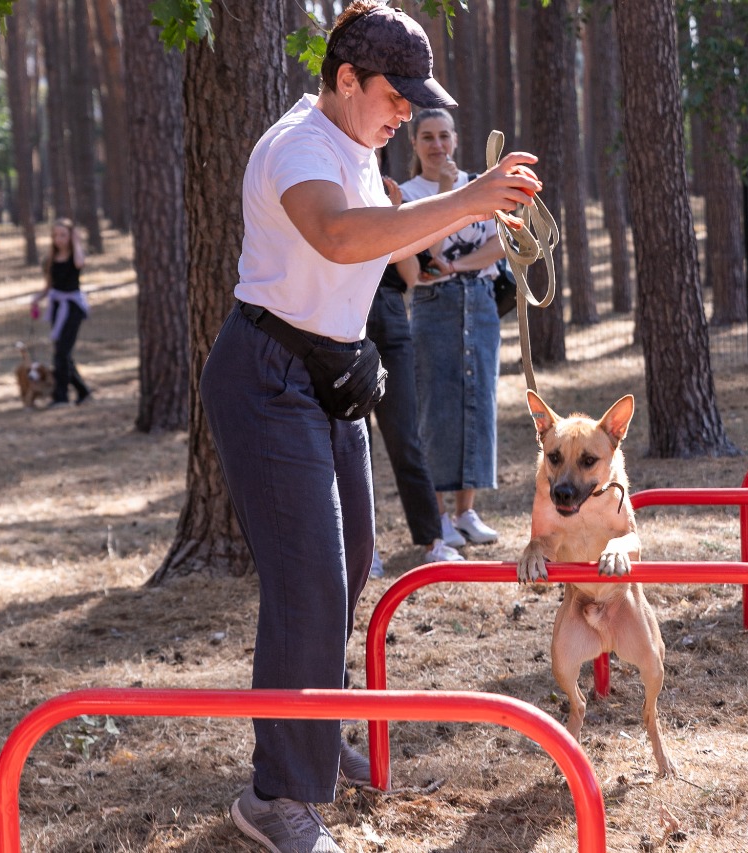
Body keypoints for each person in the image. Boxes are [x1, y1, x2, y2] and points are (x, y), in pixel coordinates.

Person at [195, 3, 539, 851]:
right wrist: (467, 197)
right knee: (308, 581)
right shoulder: (298, 146)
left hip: (327, 378)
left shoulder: (359, 148)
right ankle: (276, 797)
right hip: (267, 378)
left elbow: (394, 255)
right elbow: (340, 236)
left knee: (345, 570)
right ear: (346, 79)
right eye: (395, 94)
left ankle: (310, 737)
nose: (408, 113)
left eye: (416, 99)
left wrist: (489, 232)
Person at [399, 109, 508, 548]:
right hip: (432, 306)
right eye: (427, 137)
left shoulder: (480, 185)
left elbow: (502, 243)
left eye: (444, 136)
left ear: (456, 139)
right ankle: (439, 515)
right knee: (436, 406)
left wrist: (459, 265)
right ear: (414, 143)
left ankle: (467, 511)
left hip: (479, 305)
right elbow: (423, 257)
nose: (437, 145)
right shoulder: (407, 194)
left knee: (478, 400)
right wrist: (445, 192)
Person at [365, 175, 464, 575]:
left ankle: (432, 540)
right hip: (339, 320)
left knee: (405, 437)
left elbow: (408, 276)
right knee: (355, 445)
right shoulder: (329, 194)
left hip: (388, 318)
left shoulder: (391, 198)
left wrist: (392, 214)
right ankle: (362, 549)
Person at [31, 218, 92, 407]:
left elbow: (80, 263)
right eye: (55, 235)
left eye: (63, 234)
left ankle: (61, 396)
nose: (59, 239)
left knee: (62, 353)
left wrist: (76, 241)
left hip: (73, 308)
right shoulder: (49, 260)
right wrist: (37, 299)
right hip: (57, 307)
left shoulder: (76, 257)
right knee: (61, 353)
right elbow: (49, 286)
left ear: (71, 235)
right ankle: (82, 391)